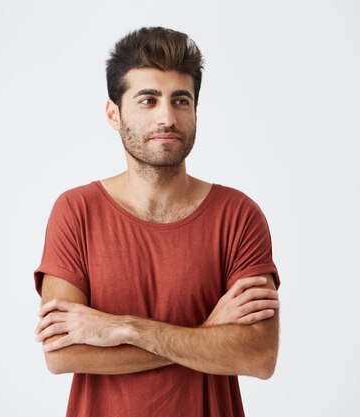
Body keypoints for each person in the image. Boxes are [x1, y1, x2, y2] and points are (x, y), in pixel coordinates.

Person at [33, 26, 280, 417]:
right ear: (114, 113)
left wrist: (123, 329)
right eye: (148, 100)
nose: (167, 117)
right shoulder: (76, 211)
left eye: (180, 101)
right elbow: (62, 353)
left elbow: (258, 355)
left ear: (195, 110)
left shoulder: (238, 215)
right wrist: (207, 334)